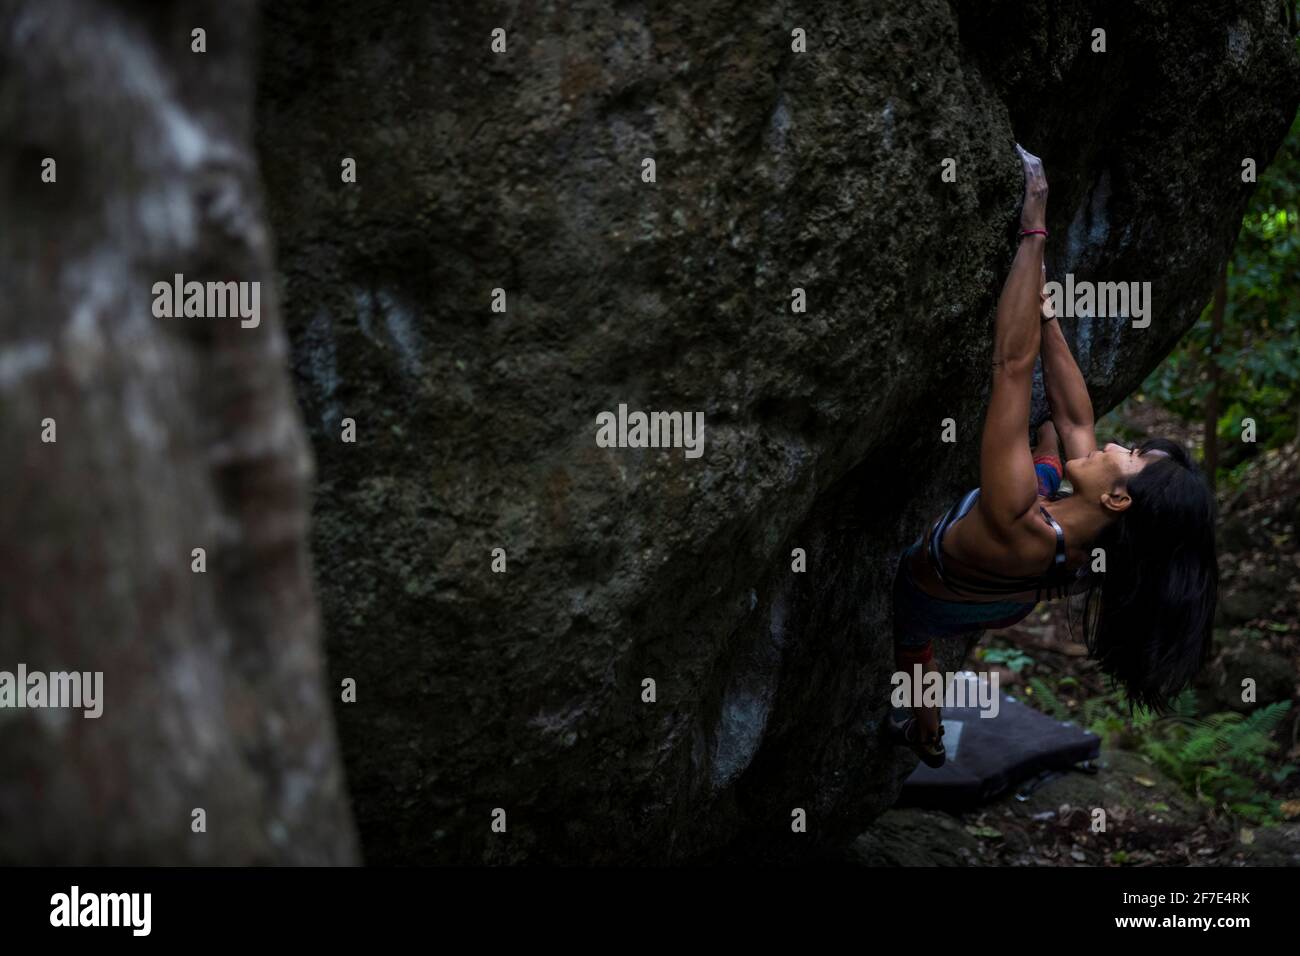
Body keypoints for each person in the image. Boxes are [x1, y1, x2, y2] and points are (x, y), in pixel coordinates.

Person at [889, 145, 1219, 767]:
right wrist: (1048, 314)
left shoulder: (1016, 510)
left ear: (1119, 496)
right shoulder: (1095, 545)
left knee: (911, 638)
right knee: (1052, 438)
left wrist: (1033, 228)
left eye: (1129, 454)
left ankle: (924, 724)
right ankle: (922, 728)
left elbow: (1010, 367)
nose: (1116, 445)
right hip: (1011, 597)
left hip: (937, 585)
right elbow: (1075, 418)